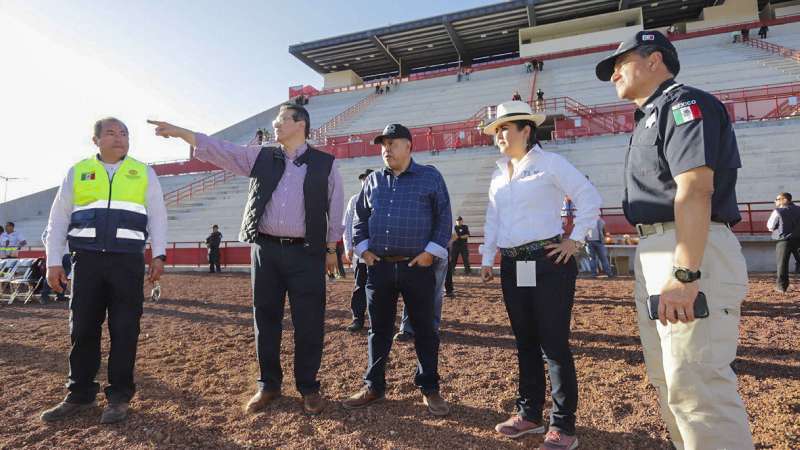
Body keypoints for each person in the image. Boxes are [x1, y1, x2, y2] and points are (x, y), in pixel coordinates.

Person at [596, 30, 755, 449]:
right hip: (659, 247)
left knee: (696, 380)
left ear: (654, 60)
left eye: (620, 62)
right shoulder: (650, 114)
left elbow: (695, 188)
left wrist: (685, 271)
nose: (613, 73)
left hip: (687, 247)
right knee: (669, 379)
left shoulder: (684, 104)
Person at [148, 102, 344, 416]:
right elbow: (223, 151)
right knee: (264, 318)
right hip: (264, 250)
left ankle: (308, 386)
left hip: (307, 253)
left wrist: (332, 249)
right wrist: (185, 134)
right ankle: (268, 384)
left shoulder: (326, 163)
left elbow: (335, 209)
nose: (275, 125)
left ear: (300, 124)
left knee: (309, 321)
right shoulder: (261, 155)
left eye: (281, 120)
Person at [480, 101, 601, 448]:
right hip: (514, 264)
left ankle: (563, 425)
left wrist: (575, 241)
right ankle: (529, 414)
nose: (499, 135)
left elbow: (588, 196)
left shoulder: (551, 163)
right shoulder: (498, 172)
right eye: (496, 129)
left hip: (548, 263)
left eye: (506, 128)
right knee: (525, 342)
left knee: (553, 344)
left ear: (526, 130)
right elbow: (493, 217)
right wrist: (488, 257)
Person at [40, 117, 167, 425]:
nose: (119, 137)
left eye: (124, 133)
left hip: (127, 262)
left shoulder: (143, 172)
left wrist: (159, 254)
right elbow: (58, 220)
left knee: (125, 330)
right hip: (87, 261)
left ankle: (120, 396)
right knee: (82, 328)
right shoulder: (78, 171)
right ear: (95, 140)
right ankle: (80, 393)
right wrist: (54, 260)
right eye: (110, 132)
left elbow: (158, 215)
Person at [342, 123, 452, 417]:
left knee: (425, 330)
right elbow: (359, 219)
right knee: (378, 330)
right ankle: (374, 385)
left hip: (418, 267)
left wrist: (430, 253)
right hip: (379, 268)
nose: (386, 149)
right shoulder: (373, 180)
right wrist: (363, 249)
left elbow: (444, 219)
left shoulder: (430, 177)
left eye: (392, 143)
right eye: (383, 144)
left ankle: (429, 387)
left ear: (409, 146)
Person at [342, 169, 374, 332]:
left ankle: (377, 320)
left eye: (368, 179)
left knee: (380, 288)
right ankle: (358, 318)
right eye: (363, 179)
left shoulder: (381, 198)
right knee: (360, 286)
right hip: (360, 254)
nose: (365, 182)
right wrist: (349, 247)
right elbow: (347, 225)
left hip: (378, 253)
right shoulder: (354, 200)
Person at [767, 192, 800, 293]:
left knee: (782, 264)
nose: (775, 201)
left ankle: (781, 287)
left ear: (784, 200)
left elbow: (770, 226)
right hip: (799, 239)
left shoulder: (778, 211)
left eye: (777, 199)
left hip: (783, 240)